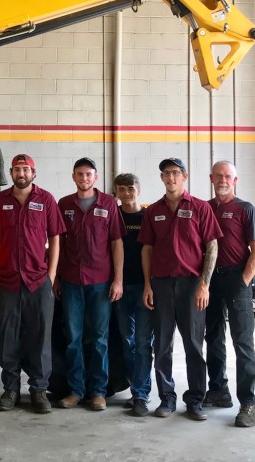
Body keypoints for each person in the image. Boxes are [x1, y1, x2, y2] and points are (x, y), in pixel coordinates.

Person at [139, 157, 222, 421]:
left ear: (184, 176)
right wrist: (148, 284)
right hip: (161, 285)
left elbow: (211, 247)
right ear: (162, 178)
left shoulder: (200, 208)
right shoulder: (153, 211)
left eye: (175, 173)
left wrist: (204, 284)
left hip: (191, 286)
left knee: (194, 346)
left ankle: (196, 399)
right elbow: (147, 249)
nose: (170, 178)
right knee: (162, 345)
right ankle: (167, 398)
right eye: (166, 173)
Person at [0, 153, 65, 414]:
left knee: (39, 337)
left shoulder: (46, 200)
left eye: (26, 170)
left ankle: (39, 390)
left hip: (37, 281)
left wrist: (50, 276)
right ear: (11, 173)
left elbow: (55, 238)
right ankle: (10, 389)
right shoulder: (0, 200)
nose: (21, 174)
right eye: (17, 170)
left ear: (33, 173)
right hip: (7, 280)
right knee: (8, 336)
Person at [55, 158, 124, 411]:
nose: (84, 178)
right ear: (74, 177)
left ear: (95, 178)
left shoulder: (108, 204)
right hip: (72, 281)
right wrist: (57, 277)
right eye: (80, 174)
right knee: (73, 338)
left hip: (101, 283)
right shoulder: (64, 205)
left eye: (89, 175)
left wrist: (118, 279)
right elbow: (57, 243)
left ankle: (98, 392)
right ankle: (75, 390)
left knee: (99, 339)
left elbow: (117, 243)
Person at [204, 161, 255, 428]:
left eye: (227, 176)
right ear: (211, 178)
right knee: (213, 336)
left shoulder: (245, 208)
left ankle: (248, 402)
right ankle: (218, 390)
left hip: (236, 278)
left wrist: (244, 281)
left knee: (243, 341)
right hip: (210, 281)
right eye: (218, 176)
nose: (223, 180)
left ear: (235, 180)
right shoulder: (204, 208)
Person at [112, 173, 154, 417]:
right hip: (119, 288)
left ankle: (141, 394)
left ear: (138, 190)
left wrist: (151, 285)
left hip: (143, 287)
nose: (126, 194)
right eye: (121, 190)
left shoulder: (148, 216)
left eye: (130, 189)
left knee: (142, 343)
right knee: (127, 343)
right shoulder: (113, 215)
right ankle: (135, 386)